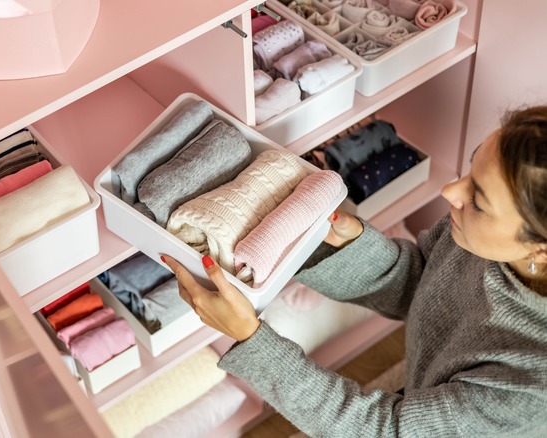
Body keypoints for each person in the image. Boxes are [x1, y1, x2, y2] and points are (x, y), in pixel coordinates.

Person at [160, 106, 547, 437]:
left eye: (477, 200)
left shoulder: (529, 388)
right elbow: (425, 286)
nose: (451, 192)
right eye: (470, 168)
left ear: (540, 252)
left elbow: (379, 430)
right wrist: (346, 245)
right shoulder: (480, 239)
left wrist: (252, 337)